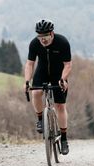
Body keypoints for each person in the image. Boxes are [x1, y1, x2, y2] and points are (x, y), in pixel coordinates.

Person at [24, 19, 72, 155]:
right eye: (40, 36)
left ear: (52, 33)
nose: (42, 40)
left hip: (59, 74)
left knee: (60, 106)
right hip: (42, 72)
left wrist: (63, 79)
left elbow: (68, 65)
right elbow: (29, 64)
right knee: (36, 92)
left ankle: (63, 139)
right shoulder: (34, 43)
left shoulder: (62, 42)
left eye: (44, 36)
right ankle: (40, 119)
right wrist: (27, 81)